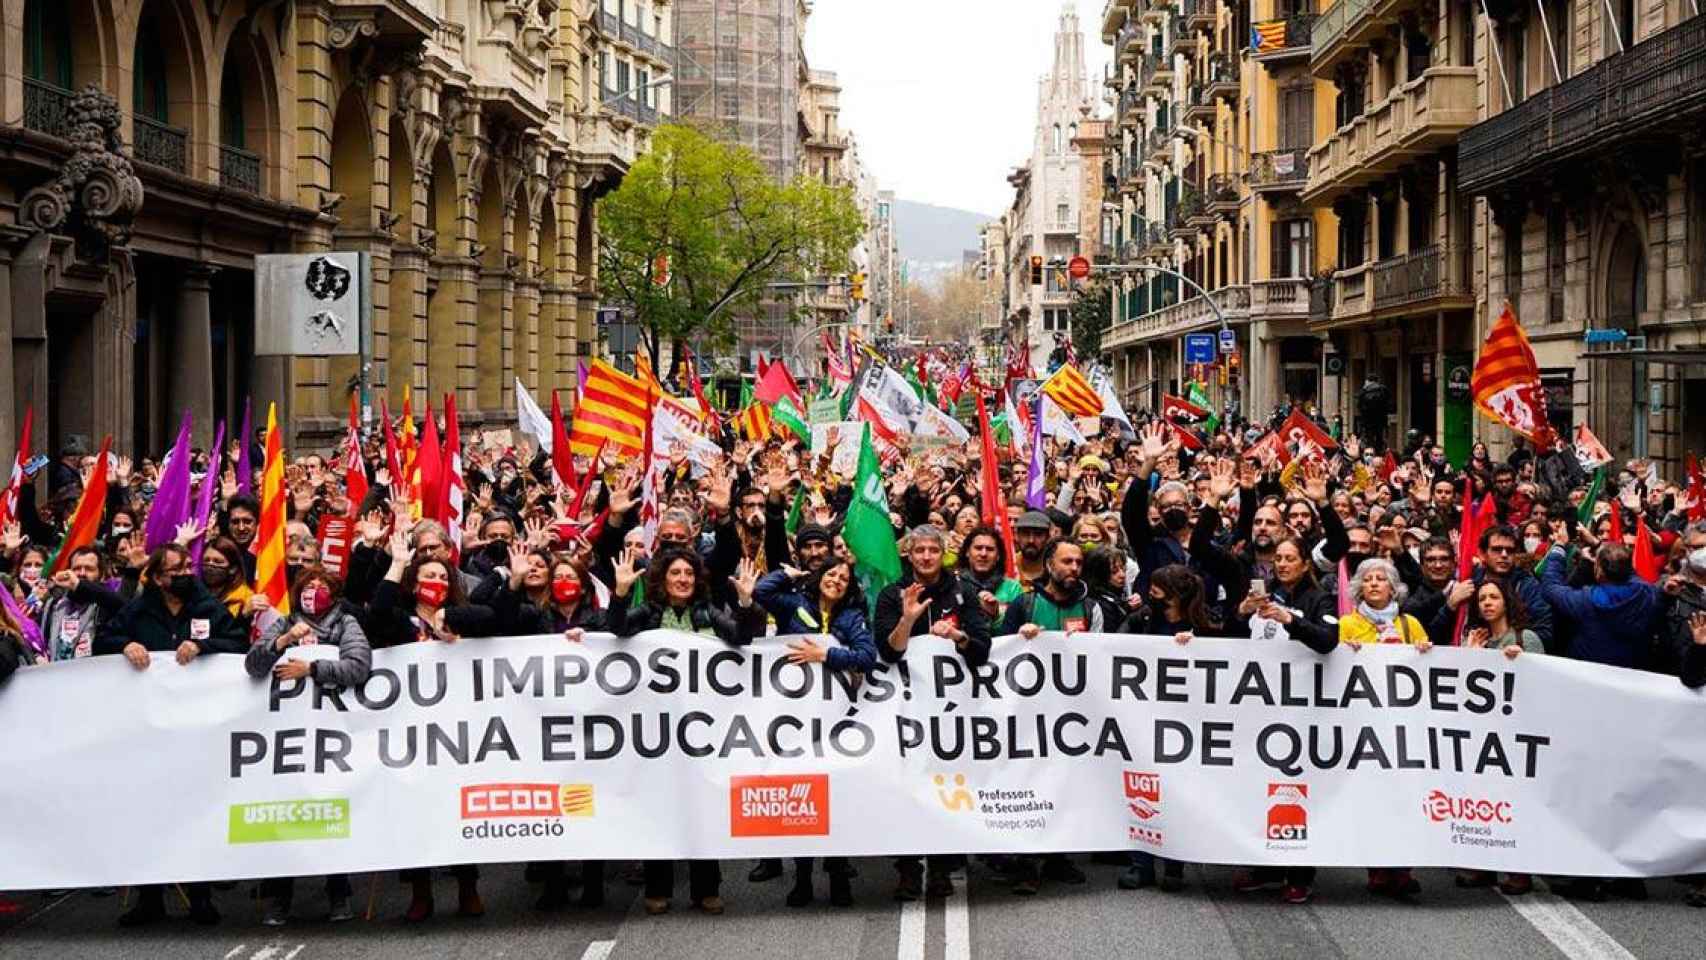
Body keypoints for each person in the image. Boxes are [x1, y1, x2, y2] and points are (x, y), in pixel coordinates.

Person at [95, 543, 247, 927]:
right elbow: (102, 641)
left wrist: (203, 645)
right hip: (150, 730)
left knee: (196, 812)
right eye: (175, 570)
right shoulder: (139, 609)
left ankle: (200, 896)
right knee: (150, 813)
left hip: (197, 729)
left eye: (186, 568)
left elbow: (238, 643)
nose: (185, 575)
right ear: (159, 578)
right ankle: (150, 898)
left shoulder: (206, 607)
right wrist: (124, 644)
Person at [609, 545, 763, 915]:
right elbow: (615, 629)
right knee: (660, 811)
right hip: (655, 734)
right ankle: (657, 887)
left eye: (689, 574)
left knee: (702, 807)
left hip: (701, 735)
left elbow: (743, 636)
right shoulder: (648, 614)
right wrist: (620, 594)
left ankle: (706, 889)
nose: (682, 580)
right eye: (675, 573)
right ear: (663, 579)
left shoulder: (708, 613)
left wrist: (745, 603)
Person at [364, 528, 497, 920]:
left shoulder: (459, 617)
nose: (436, 582)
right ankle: (420, 892)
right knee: (414, 811)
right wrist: (399, 562)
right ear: (414, 583)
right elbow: (376, 615)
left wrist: (450, 619)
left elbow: (492, 618)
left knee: (457, 808)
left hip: (456, 733)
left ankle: (467, 885)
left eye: (442, 577)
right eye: (428, 577)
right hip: (409, 732)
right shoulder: (401, 620)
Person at [244, 566, 371, 926]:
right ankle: (278, 896)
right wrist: (281, 644)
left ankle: (338, 891)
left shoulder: (345, 624)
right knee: (284, 811)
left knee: (331, 809)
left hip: (332, 732)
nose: (314, 590)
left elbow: (359, 667)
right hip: (286, 735)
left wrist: (312, 669)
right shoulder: (284, 623)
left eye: (322, 585)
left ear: (334, 592)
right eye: (308, 585)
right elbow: (253, 666)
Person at [874, 526, 990, 901]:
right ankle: (908, 870)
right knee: (907, 789)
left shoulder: (963, 592)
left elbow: (982, 649)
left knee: (947, 786)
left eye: (932, 550)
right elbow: (888, 652)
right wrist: (907, 619)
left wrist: (957, 638)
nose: (925, 557)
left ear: (944, 554)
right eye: (918, 550)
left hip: (952, 712)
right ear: (908, 555)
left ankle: (941, 868)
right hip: (905, 710)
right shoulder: (893, 595)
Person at [753, 558, 875, 908]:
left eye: (844, 578)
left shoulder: (851, 618)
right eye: (831, 574)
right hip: (795, 719)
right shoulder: (795, 603)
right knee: (802, 801)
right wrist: (789, 573)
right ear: (819, 577)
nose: (836, 580)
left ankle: (838, 877)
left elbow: (867, 656)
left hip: (834, 721)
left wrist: (826, 654)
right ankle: (803, 878)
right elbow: (762, 592)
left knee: (836, 801)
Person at [1121, 564, 1226, 893]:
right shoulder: (1144, 618)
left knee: (1178, 789)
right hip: (1143, 716)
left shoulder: (1205, 622)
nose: (1151, 590)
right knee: (1141, 787)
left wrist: (1200, 643)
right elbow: (1112, 644)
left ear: (1176, 591)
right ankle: (1141, 864)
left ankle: (1175, 864)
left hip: (1187, 720)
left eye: (1157, 585)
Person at [1335, 556, 1428, 899]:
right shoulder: (1346, 625)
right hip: (1363, 725)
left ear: (1393, 587)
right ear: (1359, 588)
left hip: (1402, 726)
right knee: (1372, 798)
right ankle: (1376, 868)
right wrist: (1345, 652)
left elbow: (1430, 668)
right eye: (1368, 579)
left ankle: (1402, 868)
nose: (1374, 584)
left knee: (1402, 797)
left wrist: (1423, 651)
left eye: (1381, 579)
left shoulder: (1411, 625)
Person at [1454, 577, 1540, 895]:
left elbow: (1543, 682)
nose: (1487, 603)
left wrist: (1524, 661)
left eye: (1493, 597)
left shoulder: (1524, 637)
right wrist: (1468, 656)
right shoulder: (1477, 640)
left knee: (1515, 803)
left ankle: (1519, 870)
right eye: (1482, 599)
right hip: (1482, 735)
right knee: (1483, 801)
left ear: (1506, 601)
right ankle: (1484, 866)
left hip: (1515, 734)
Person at [39, 546, 125, 661]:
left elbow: (122, 604)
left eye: (89, 569)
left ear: (101, 575)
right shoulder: (53, 604)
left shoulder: (107, 603)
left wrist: (79, 585)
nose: (82, 573)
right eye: (76, 568)